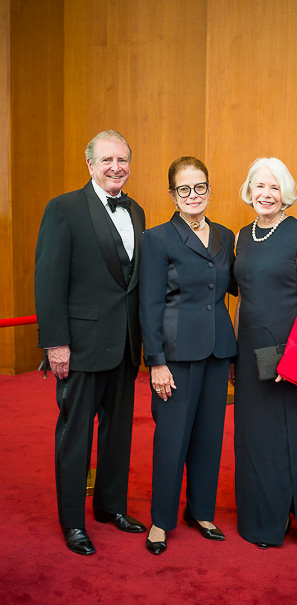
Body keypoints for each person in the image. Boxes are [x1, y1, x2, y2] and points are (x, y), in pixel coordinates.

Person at [34, 130, 146, 556]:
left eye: (122, 159)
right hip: (80, 346)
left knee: (118, 433)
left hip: (124, 345)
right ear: (90, 165)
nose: (116, 167)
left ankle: (111, 507)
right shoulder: (63, 209)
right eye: (107, 160)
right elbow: (48, 280)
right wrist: (56, 343)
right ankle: (73, 522)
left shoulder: (135, 210)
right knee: (75, 433)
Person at [139, 156, 237, 555]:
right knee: (172, 438)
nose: (193, 195)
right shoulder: (157, 238)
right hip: (175, 356)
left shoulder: (226, 235)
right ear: (172, 195)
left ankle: (200, 511)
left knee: (210, 436)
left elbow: (234, 287)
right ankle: (161, 520)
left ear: (210, 190)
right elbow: (149, 305)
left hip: (218, 351)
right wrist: (156, 362)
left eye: (200, 187)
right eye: (184, 189)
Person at [233, 157, 297, 549]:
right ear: (250, 190)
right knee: (255, 439)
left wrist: (296, 358)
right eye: (260, 186)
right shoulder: (242, 234)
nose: (266, 194)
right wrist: (234, 352)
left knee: (292, 435)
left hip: (289, 350)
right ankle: (260, 520)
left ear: (284, 192)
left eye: (274, 187)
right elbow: (241, 300)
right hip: (249, 348)